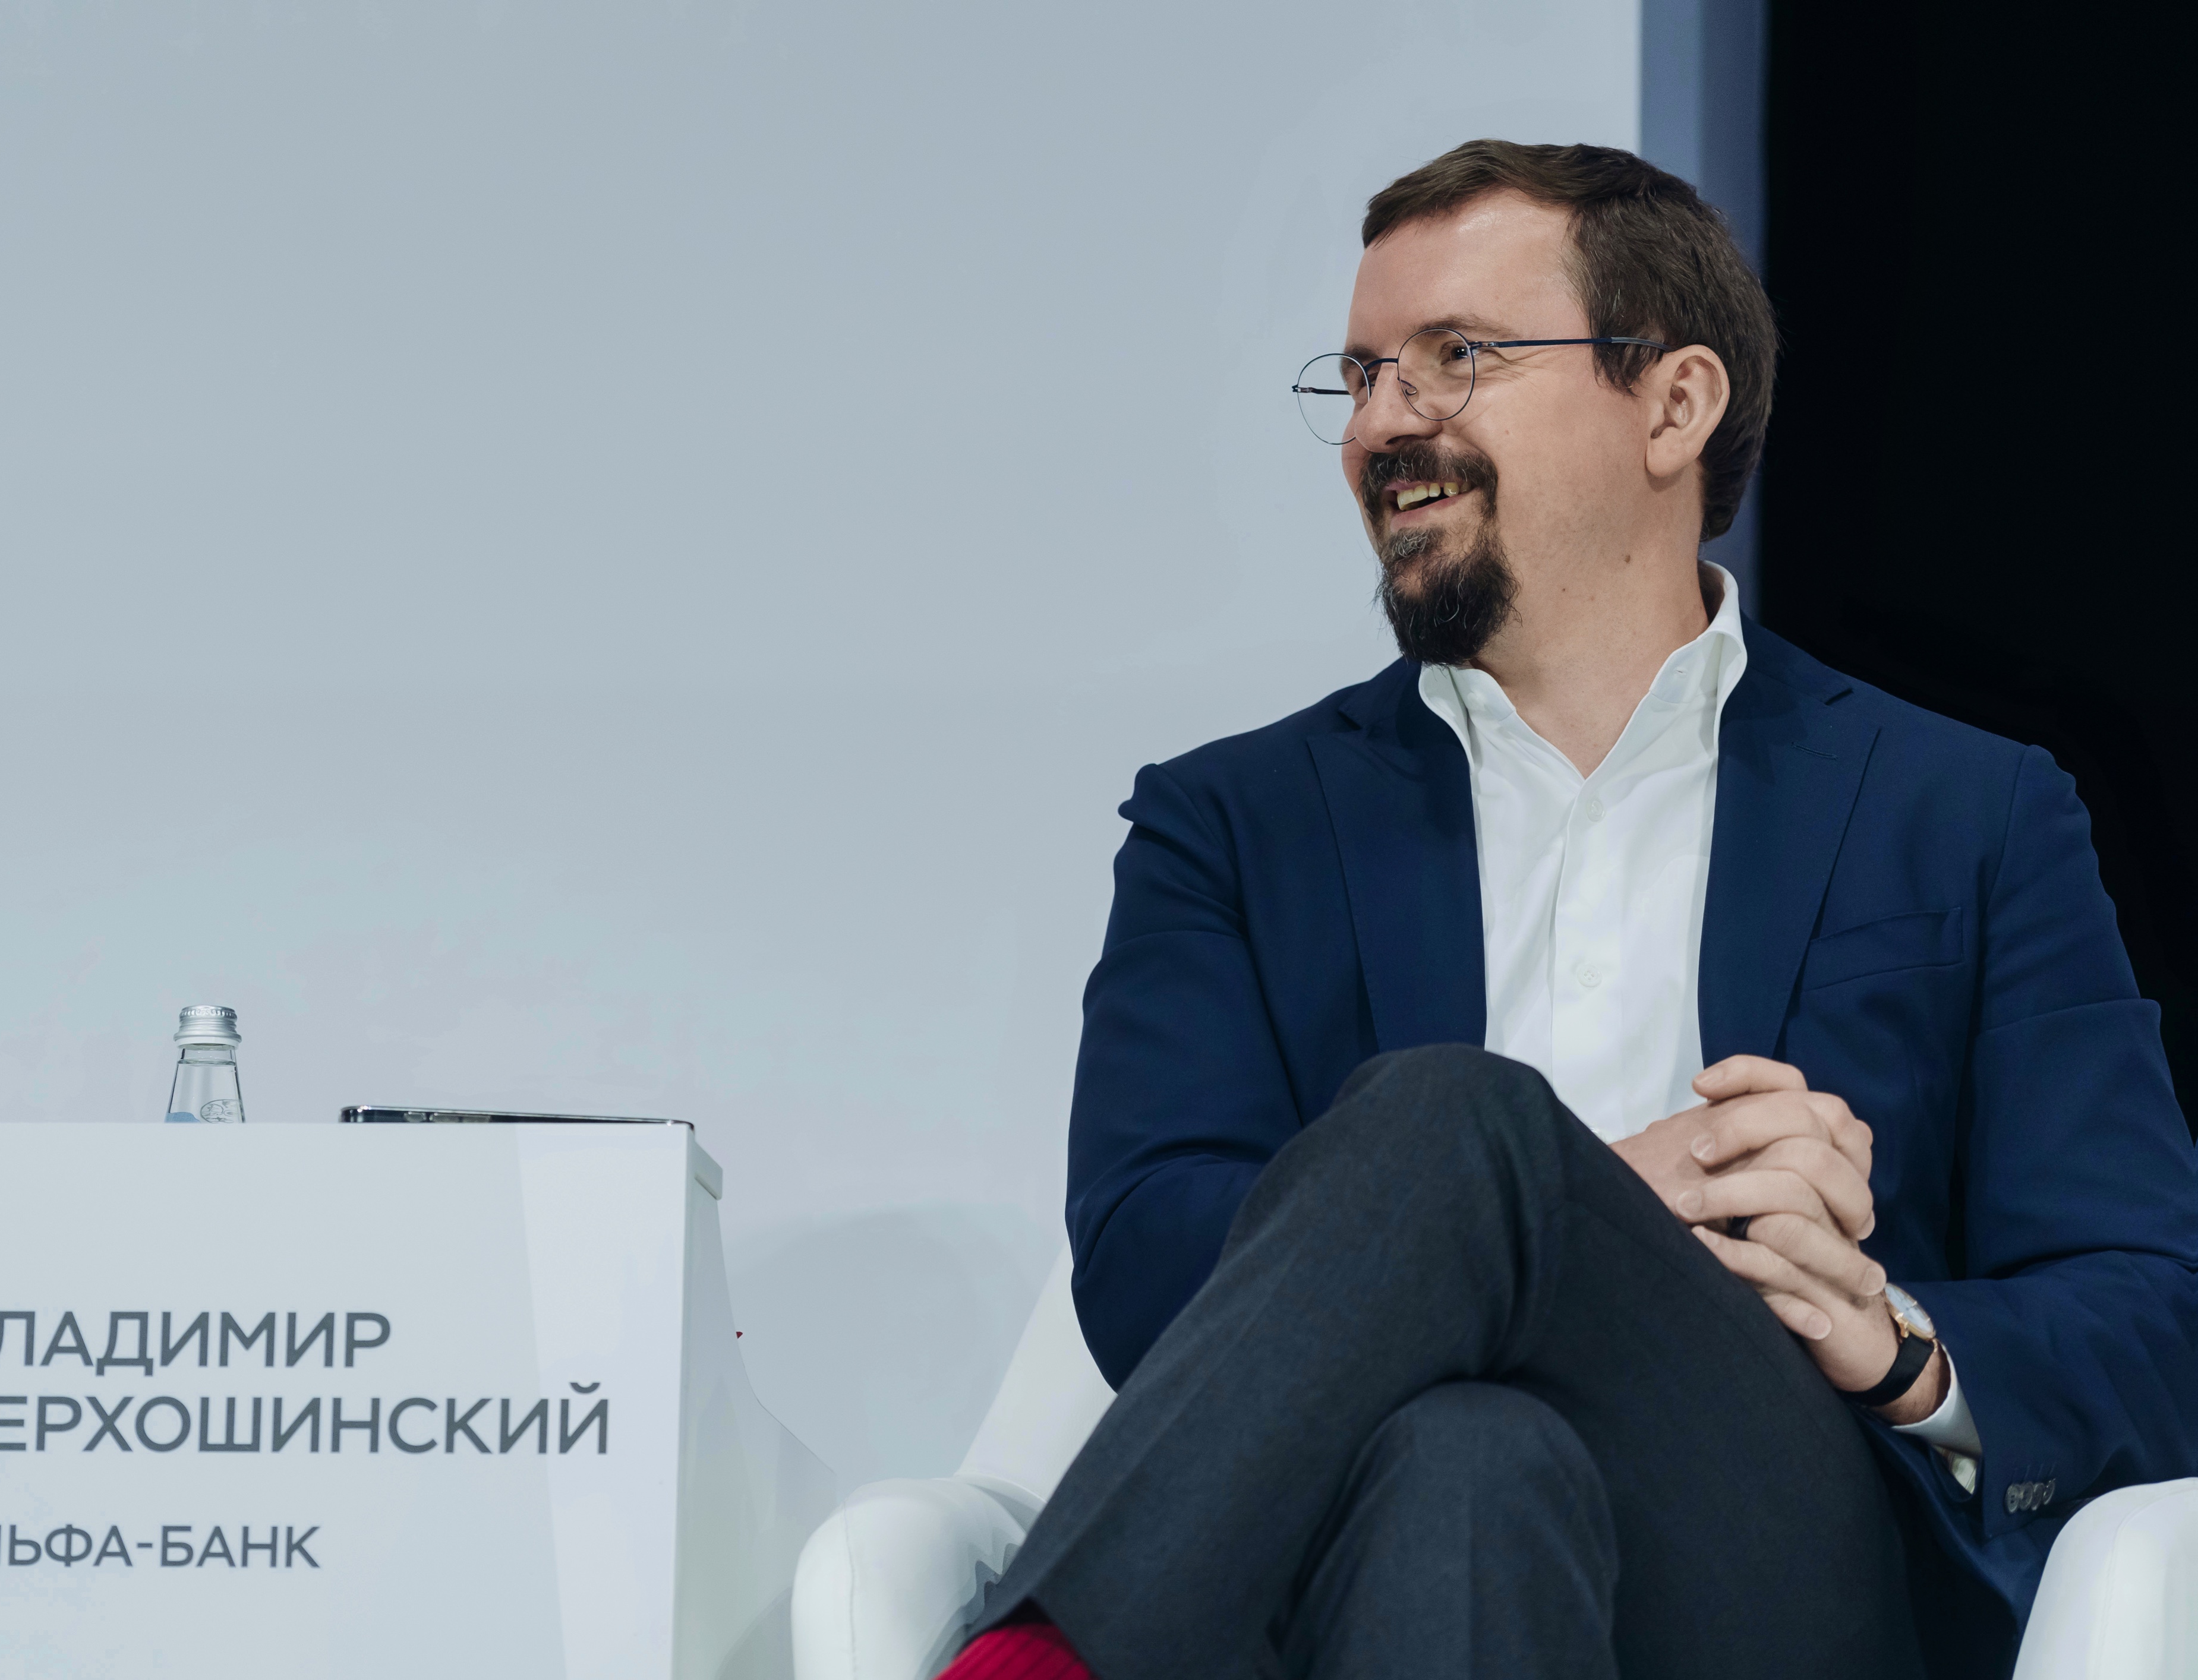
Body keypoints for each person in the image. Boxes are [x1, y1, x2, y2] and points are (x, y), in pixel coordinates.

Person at [939, 141, 2198, 1680]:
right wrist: (1593, 1193)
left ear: (1672, 405)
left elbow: (2155, 1311)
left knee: (1448, 1120)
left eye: (1455, 358)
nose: (1382, 420)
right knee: (1467, 1454)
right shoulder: (1230, 824)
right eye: (1361, 374)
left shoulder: (1969, 813)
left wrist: (1898, 1341)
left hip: (1787, 1550)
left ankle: (1050, 1660)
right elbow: (1143, 1259)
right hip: (1366, 1554)